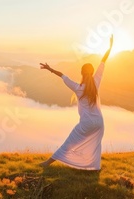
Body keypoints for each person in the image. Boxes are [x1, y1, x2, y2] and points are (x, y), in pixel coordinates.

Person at [39, 35, 113, 170]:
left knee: (69, 143)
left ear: (81, 73)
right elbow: (103, 62)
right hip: (99, 122)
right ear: (91, 73)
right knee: (96, 145)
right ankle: (94, 168)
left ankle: (47, 163)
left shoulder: (78, 88)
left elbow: (62, 75)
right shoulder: (96, 83)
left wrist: (49, 69)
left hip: (86, 122)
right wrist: (110, 47)